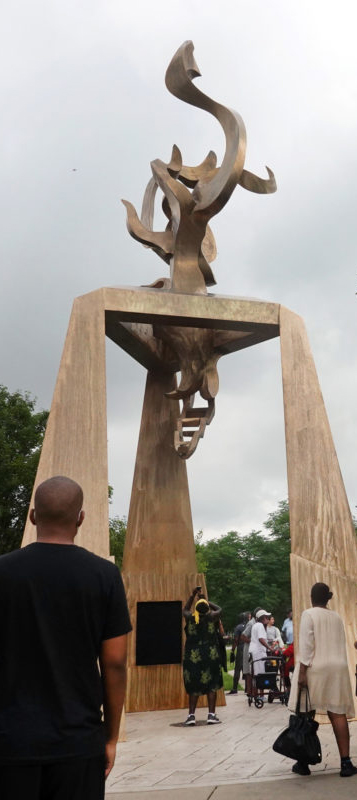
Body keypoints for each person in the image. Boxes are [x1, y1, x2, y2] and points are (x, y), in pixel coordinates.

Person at [0, 475, 132, 800]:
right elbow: (114, 663)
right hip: (79, 743)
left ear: (33, 516)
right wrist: (110, 738)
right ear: (81, 518)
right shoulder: (104, 576)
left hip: (10, 743)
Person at [288, 582, 356, 778]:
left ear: (312, 597)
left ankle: (303, 763)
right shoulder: (336, 617)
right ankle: (346, 762)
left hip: (316, 667)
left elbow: (307, 646)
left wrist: (301, 673)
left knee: (306, 713)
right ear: (328, 598)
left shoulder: (308, 614)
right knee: (337, 714)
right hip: (337, 668)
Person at [182, 586, 223, 725]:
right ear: (207, 608)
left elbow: (185, 610)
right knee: (212, 684)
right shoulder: (212, 617)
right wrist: (205, 600)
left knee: (194, 685)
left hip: (192, 657)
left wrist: (193, 596)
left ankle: (191, 716)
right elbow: (219, 609)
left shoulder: (191, 618)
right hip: (210, 656)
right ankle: (211, 715)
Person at [249, 610, 273, 692]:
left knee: (256, 673)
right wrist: (269, 648)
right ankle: (260, 695)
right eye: (267, 617)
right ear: (262, 618)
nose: (268, 619)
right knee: (260, 674)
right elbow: (261, 639)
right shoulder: (260, 626)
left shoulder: (256, 625)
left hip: (255, 651)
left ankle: (257, 694)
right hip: (258, 652)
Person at [228, 612, 250, 694]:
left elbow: (236, 640)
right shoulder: (249, 626)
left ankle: (234, 688)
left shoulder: (238, 627)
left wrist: (233, 650)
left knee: (237, 668)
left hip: (241, 648)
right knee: (247, 668)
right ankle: (247, 688)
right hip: (248, 647)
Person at [241, 607, 261, 695]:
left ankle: (253, 691)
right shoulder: (251, 623)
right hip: (248, 650)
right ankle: (250, 692)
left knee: (254, 671)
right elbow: (243, 636)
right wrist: (253, 641)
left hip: (253, 649)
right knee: (249, 673)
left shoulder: (257, 623)